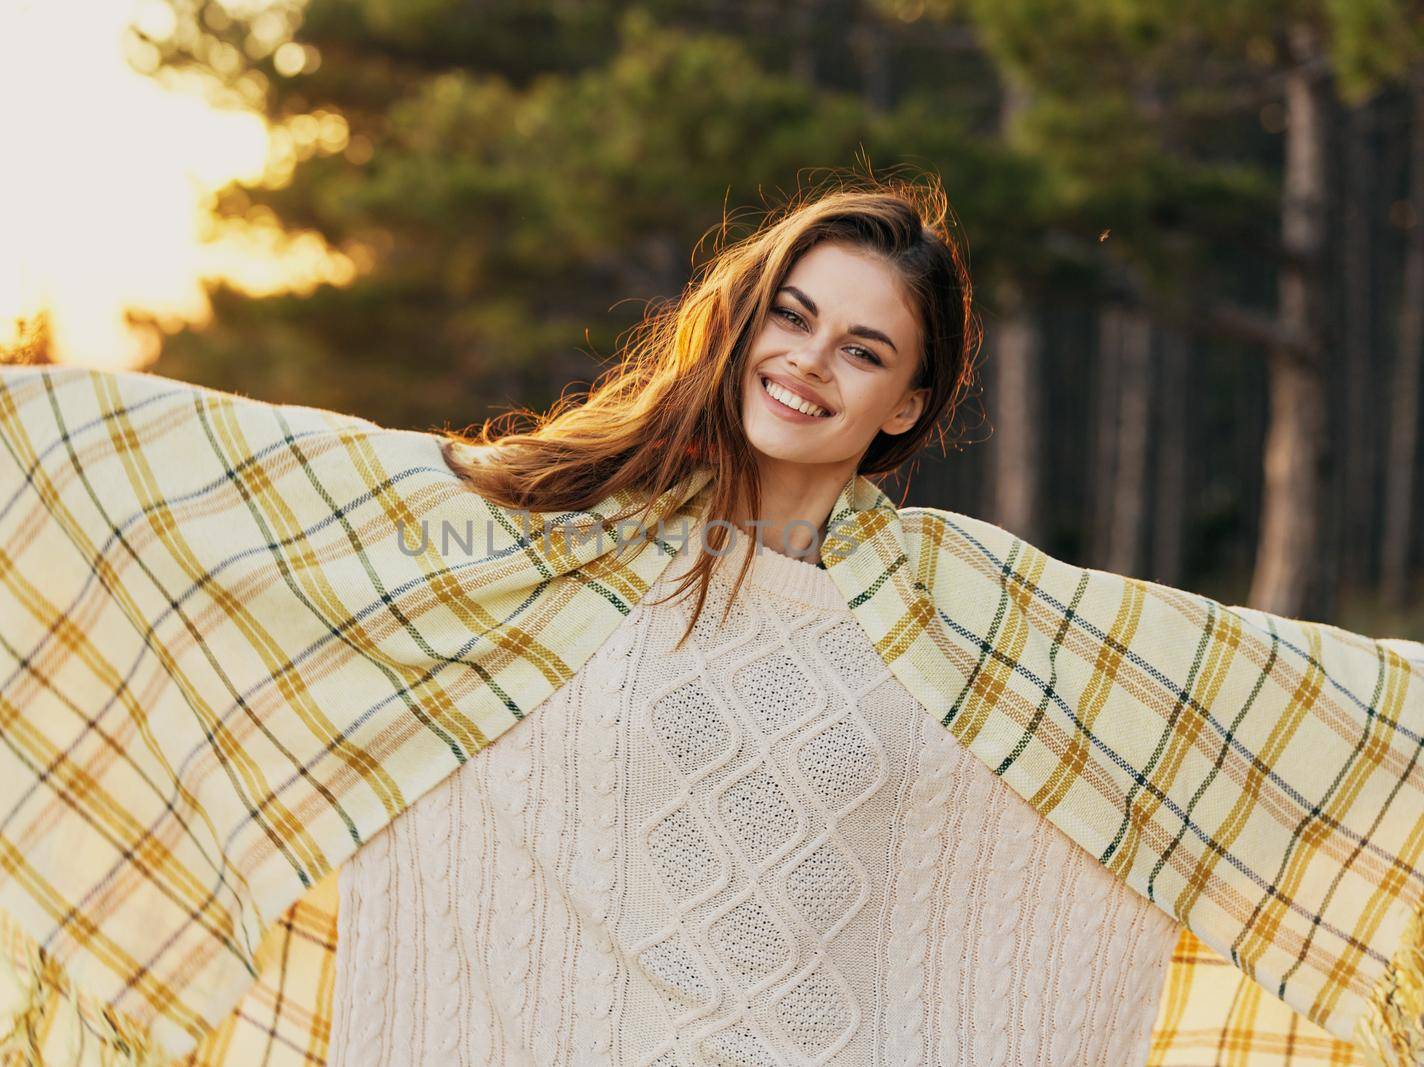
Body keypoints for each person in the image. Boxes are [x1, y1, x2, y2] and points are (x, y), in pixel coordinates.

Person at [324, 183, 1188, 1064]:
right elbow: (331, 523)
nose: (810, 360)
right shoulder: (570, 541)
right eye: (791, 317)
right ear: (745, 326)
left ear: (904, 406)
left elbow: (1162, 729)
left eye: (861, 349)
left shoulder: (940, 616)